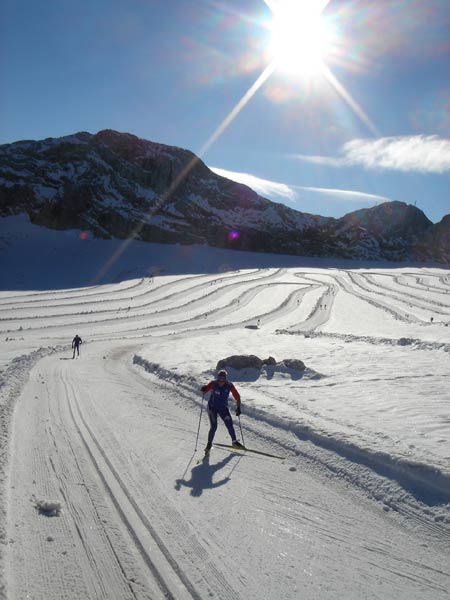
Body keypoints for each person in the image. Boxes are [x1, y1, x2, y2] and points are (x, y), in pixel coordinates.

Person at [201, 369, 244, 456]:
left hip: (223, 408)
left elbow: (237, 396)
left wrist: (238, 407)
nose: (221, 382)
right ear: (218, 378)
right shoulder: (213, 383)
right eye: (219, 379)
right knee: (214, 427)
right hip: (212, 408)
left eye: (223, 380)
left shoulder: (229, 385)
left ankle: (234, 442)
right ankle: (209, 445)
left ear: (225, 379)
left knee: (229, 423)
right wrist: (204, 388)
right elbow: (205, 389)